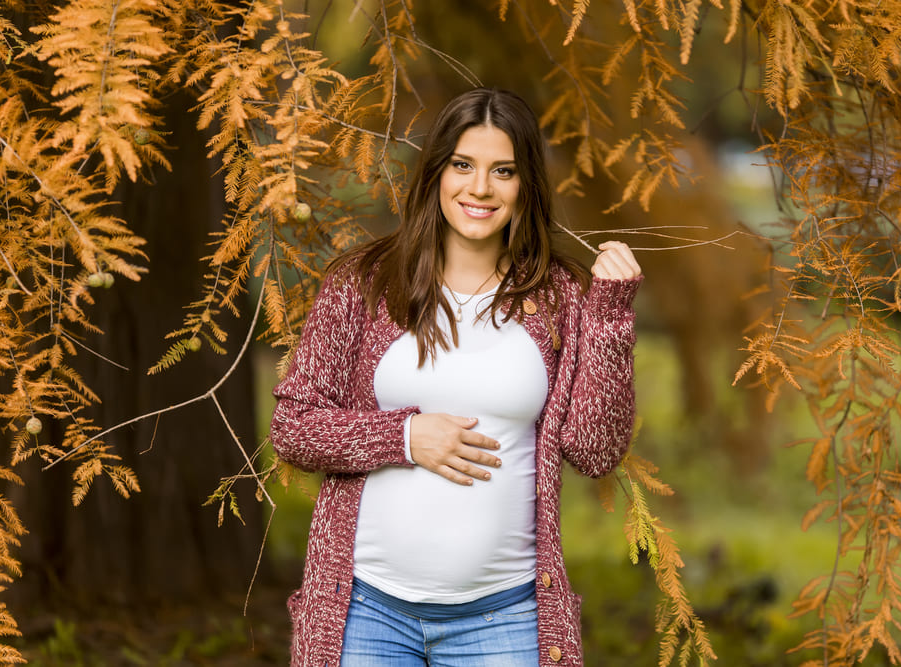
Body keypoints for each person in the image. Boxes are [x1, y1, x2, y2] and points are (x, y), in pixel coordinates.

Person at [269, 87, 642, 667]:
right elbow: (293, 428)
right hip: (365, 611)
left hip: (507, 617)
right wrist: (403, 438)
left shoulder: (559, 298)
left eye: (503, 171)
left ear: (526, 186)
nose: (480, 188)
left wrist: (611, 317)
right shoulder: (363, 285)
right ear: (436, 173)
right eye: (462, 165)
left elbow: (595, 450)